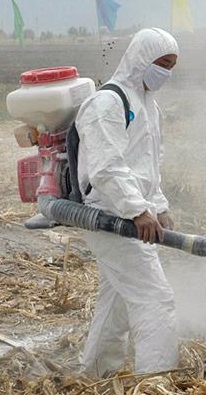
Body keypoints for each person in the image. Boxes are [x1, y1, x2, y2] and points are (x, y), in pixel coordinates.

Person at [75, 28, 179, 377]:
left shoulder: (149, 106)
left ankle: (96, 373)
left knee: (117, 300)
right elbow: (106, 167)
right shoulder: (107, 103)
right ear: (140, 59)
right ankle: (156, 381)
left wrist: (159, 207)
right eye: (161, 63)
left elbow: (149, 165)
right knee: (155, 300)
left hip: (133, 216)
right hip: (109, 216)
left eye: (171, 66)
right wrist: (138, 210)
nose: (165, 73)